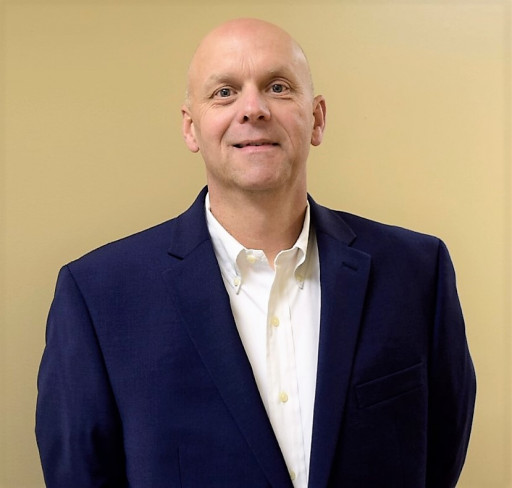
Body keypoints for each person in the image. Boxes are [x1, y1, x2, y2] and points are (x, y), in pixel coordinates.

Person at [35, 18, 476, 488]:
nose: (253, 109)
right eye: (224, 92)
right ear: (190, 127)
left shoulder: (417, 273)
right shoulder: (99, 297)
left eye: (278, 87)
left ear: (317, 118)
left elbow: (439, 453)